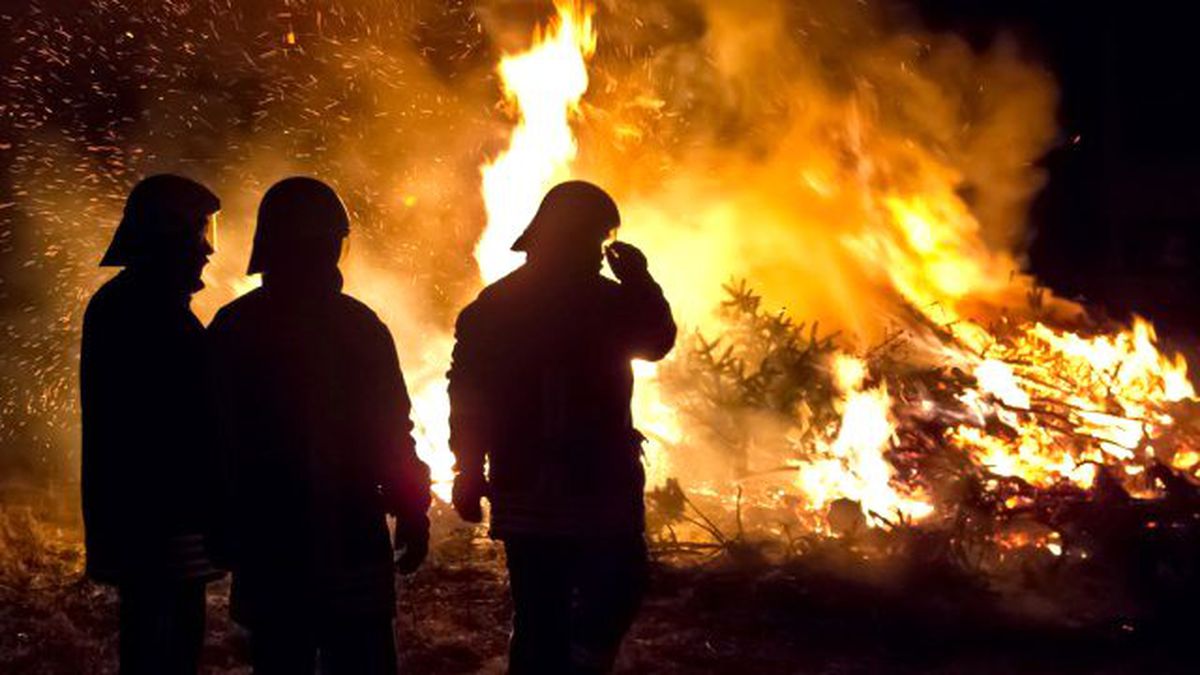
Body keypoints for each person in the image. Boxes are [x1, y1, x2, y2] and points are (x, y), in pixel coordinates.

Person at [448, 180, 676, 674]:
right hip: (590, 486)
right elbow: (658, 339)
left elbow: (466, 398)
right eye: (595, 239)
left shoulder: (493, 306)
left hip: (538, 484)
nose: (600, 253)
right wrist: (640, 281)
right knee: (603, 592)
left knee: (543, 611)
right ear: (574, 239)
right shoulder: (607, 302)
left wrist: (467, 470)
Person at [208, 177, 430, 674]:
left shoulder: (233, 327)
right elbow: (392, 433)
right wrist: (413, 509)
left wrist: (220, 523)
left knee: (280, 657)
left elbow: (212, 437)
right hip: (349, 533)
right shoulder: (358, 326)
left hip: (268, 539)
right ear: (331, 245)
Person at [80, 173, 224, 674]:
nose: (207, 251)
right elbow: (189, 420)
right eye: (197, 234)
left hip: (145, 519)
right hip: (162, 521)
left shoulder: (125, 304)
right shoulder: (151, 313)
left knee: (155, 641)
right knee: (166, 647)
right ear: (169, 237)